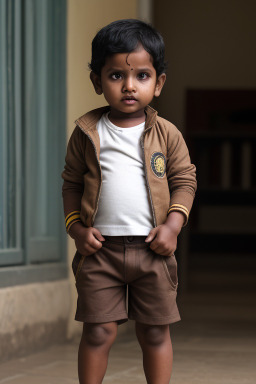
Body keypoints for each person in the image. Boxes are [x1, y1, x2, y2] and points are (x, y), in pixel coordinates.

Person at [62, 19, 197, 384]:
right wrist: (75, 228)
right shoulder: (87, 133)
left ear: (158, 82)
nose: (129, 86)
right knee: (98, 332)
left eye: (141, 75)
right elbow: (71, 183)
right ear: (97, 81)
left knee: (154, 332)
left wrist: (173, 225)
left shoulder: (167, 134)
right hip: (100, 252)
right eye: (116, 75)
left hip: (154, 252)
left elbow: (185, 180)